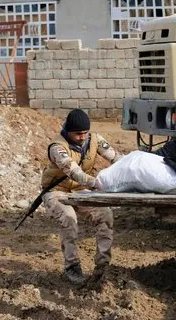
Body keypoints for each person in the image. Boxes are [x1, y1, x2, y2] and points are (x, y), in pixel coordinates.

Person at [41, 109, 121, 285]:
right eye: (78, 134)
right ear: (68, 130)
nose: (83, 137)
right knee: (68, 219)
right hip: (57, 191)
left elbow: (116, 159)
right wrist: (96, 184)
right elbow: (73, 172)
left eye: (85, 132)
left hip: (81, 190)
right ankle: (72, 266)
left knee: (105, 214)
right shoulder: (57, 147)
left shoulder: (95, 140)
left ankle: (103, 265)